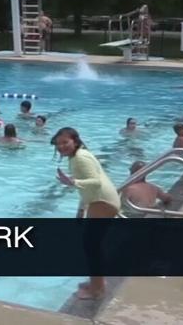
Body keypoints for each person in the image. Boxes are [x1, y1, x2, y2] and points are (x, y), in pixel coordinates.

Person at [53, 127, 120, 300]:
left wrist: (73, 182)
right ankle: (97, 283)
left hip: (102, 202)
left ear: (75, 141)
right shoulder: (76, 156)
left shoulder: (80, 158)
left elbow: (95, 183)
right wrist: (81, 209)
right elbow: (88, 188)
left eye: (65, 142)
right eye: (58, 143)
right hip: (100, 201)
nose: (61, 146)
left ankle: (97, 289)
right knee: (92, 245)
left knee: (92, 247)